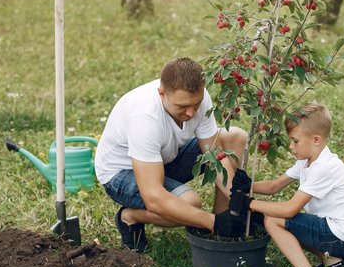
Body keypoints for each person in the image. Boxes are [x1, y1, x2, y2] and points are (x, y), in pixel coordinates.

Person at [95, 57, 249, 252]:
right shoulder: (144, 117)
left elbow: (215, 156)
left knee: (234, 137)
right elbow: (153, 197)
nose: (192, 113)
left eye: (196, 104)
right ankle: (130, 217)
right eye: (183, 107)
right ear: (162, 94)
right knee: (189, 203)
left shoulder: (198, 98)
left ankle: (224, 230)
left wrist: (238, 197)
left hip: (164, 158)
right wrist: (212, 222)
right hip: (121, 174)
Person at [229, 103, 344, 267]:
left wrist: (249, 203)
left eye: (295, 141)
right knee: (285, 222)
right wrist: (249, 185)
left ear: (316, 139)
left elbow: (289, 210)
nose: (291, 147)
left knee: (275, 221)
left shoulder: (323, 167)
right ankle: (334, 264)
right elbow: (275, 186)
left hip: (342, 236)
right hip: (342, 233)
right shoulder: (308, 160)